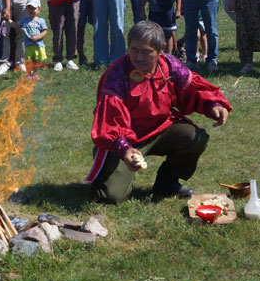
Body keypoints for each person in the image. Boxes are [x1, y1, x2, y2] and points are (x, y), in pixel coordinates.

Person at [85, 21, 231, 204]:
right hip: (126, 139)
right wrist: (123, 148)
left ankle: (167, 183)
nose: (138, 58)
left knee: (195, 138)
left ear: (161, 49)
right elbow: (110, 119)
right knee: (110, 197)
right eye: (134, 50)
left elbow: (192, 89)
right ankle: (108, 169)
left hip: (161, 129)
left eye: (146, 52)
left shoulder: (169, 66)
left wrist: (213, 105)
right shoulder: (117, 75)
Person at [12, 0, 48, 72]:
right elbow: (16, 26)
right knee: (28, 61)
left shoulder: (41, 21)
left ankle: (35, 73)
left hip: (38, 45)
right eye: (29, 8)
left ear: (39, 9)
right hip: (28, 45)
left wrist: (37, 37)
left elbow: (45, 32)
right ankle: (29, 74)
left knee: (37, 61)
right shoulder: (25, 20)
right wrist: (8, 20)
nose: (31, 10)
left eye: (33, 8)